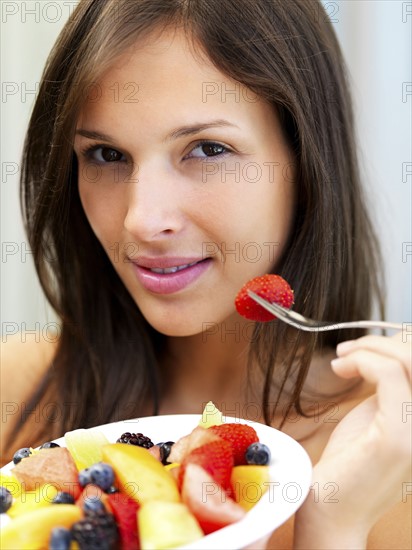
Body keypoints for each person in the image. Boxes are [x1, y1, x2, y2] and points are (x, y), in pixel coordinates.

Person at [1, 0, 410, 547]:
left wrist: (334, 527)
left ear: (305, 161)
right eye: (104, 154)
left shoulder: (388, 453)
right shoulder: (19, 390)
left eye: (207, 149)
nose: (142, 220)